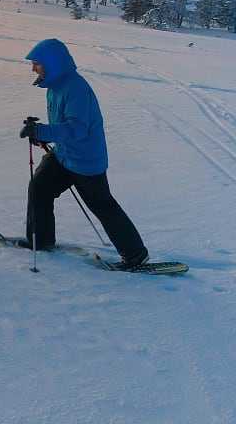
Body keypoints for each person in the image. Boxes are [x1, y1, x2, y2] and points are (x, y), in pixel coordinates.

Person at [18, 38, 149, 269]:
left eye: (37, 63)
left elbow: (78, 128)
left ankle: (135, 255)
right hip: (64, 155)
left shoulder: (75, 88)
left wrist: (44, 132)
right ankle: (41, 240)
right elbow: (63, 124)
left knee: (102, 205)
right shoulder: (55, 86)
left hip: (85, 160)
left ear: (52, 63)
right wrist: (42, 134)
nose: (33, 68)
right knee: (39, 188)